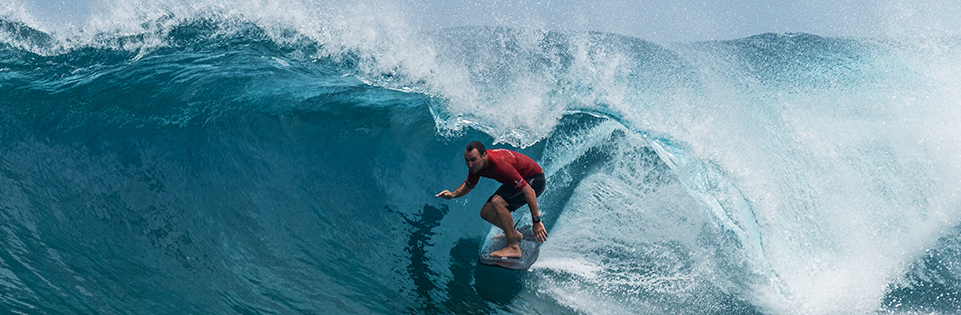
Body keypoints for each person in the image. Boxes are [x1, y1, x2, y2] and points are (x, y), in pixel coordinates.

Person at [435, 141, 547, 258]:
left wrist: (536, 221)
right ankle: (514, 235)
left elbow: (529, 191)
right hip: (519, 179)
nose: (470, 164)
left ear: (484, 155)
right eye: (467, 160)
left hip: (535, 180)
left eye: (473, 160)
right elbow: (469, 185)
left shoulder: (500, 165)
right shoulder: (476, 166)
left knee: (497, 202)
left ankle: (513, 247)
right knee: (486, 212)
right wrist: (453, 195)